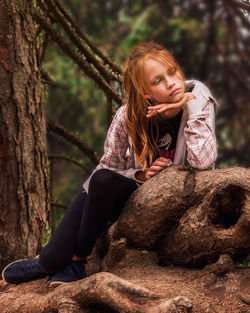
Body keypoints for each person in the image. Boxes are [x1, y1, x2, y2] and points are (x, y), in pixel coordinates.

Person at [2, 42, 217, 286]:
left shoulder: (197, 95)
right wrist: (140, 174)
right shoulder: (127, 116)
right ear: (146, 93)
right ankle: (47, 262)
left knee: (59, 257)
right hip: (126, 192)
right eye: (158, 81)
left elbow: (203, 161)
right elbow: (106, 169)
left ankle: (76, 260)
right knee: (52, 258)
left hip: (166, 199)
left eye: (172, 72)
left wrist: (188, 106)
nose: (171, 82)